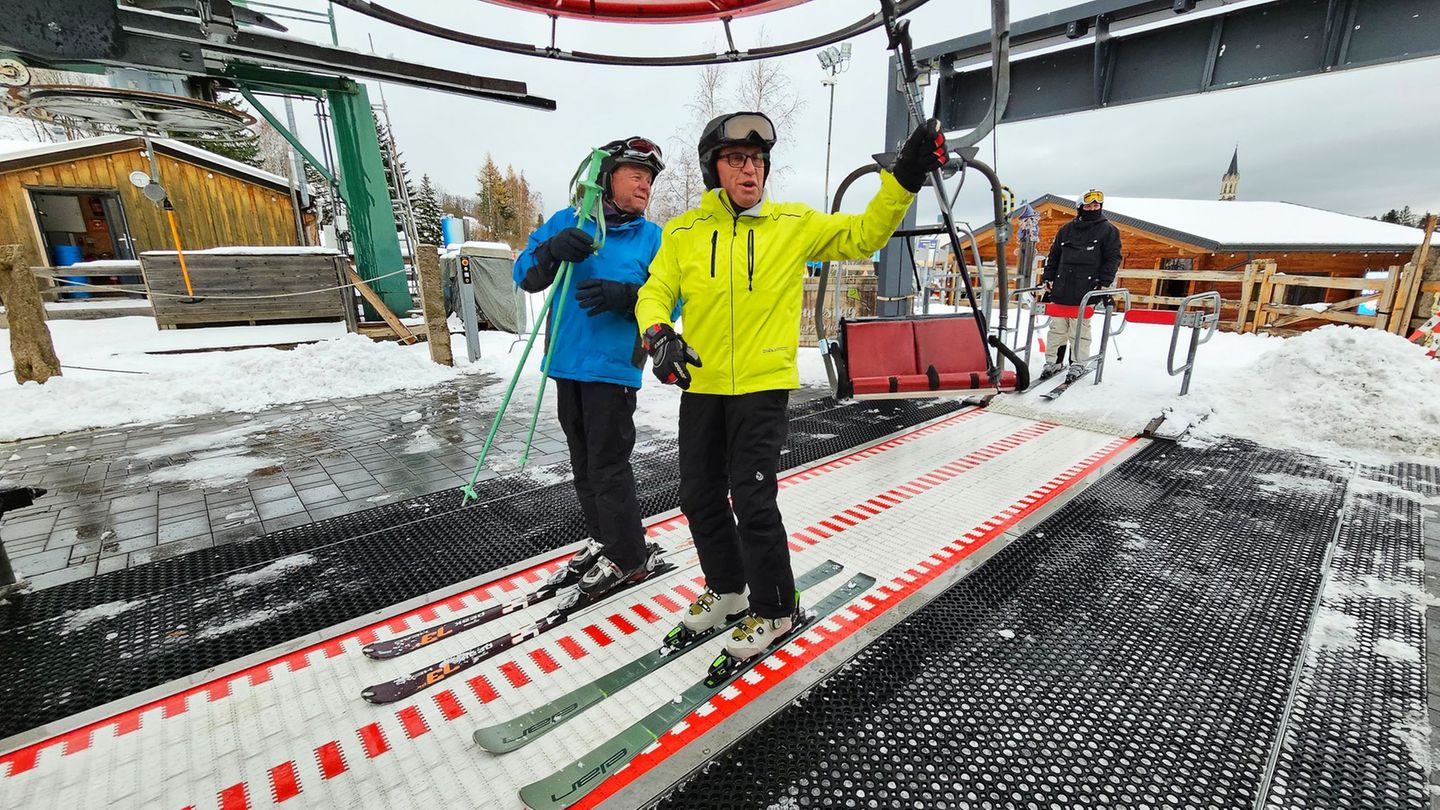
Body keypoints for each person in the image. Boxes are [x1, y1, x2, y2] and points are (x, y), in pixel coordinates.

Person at [635, 111, 948, 659]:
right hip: (703, 384)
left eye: (756, 160)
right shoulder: (684, 233)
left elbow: (862, 234)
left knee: (752, 497)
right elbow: (655, 291)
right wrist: (658, 332)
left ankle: (778, 608)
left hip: (762, 386)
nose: (749, 169)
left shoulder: (791, 224)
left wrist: (903, 178)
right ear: (715, 168)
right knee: (699, 495)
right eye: (736, 160)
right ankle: (729, 592)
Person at [513, 137, 666, 597]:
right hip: (567, 363)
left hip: (613, 370)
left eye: (649, 179)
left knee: (608, 465)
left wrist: (628, 298)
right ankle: (605, 538)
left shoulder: (652, 238)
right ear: (606, 179)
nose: (645, 186)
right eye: (636, 176)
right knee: (583, 464)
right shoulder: (568, 223)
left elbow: (671, 301)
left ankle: (629, 557)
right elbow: (524, 273)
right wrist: (551, 250)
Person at [1041, 189, 1122, 376]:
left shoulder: (1108, 230)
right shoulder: (1066, 230)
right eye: (1088, 205)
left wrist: (1105, 282)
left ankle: (1077, 362)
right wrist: (1048, 277)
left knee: (1079, 329)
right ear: (1080, 207)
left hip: (1087, 288)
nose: (1092, 208)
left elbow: (1113, 258)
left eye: (1096, 205)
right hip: (1062, 286)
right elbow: (1054, 256)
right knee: (1057, 328)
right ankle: (1053, 361)